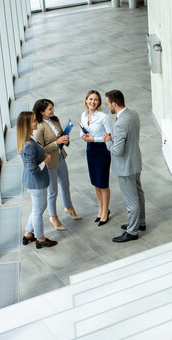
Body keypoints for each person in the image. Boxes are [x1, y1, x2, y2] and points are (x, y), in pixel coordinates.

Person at [103, 90, 146, 242]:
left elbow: (117, 151)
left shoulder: (121, 123)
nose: (107, 106)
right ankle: (140, 222)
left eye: (108, 103)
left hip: (125, 167)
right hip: (135, 161)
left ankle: (132, 232)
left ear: (114, 104)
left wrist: (108, 140)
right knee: (138, 193)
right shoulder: (133, 114)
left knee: (131, 201)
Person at [32, 98, 81, 231]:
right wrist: (57, 142)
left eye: (53, 108)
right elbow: (40, 150)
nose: (53, 110)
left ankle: (69, 206)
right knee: (52, 191)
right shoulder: (39, 128)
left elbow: (60, 136)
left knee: (65, 184)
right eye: (50, 109)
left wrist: (65, 140)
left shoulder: (55, 120)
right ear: (42, 112)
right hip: (50, 162)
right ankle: (53, 216)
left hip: (60, 157)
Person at [16, 111, 58, 249]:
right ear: (27, 124)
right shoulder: (29, 144)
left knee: (37, 209)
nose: (36, 122)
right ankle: (40, 239)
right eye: (34, 121)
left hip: (34, 182)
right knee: (39, 211)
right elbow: (33, 169)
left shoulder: (28, 139)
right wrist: (45, 160)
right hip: (36, 182)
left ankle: (28, 234)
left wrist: (42, 156)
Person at [80, 90, 112, 225]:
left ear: (99, 103)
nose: (92, 102)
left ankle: (105, 211)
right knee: (95, 183)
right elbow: (80, 131)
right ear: (86, 100)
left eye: (96, 100)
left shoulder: (103, 117)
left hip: (102, 151)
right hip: (90, 150)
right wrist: (83, 137)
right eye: (90, 99)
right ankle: (100, 208)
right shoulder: (83, 114)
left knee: (103, 183)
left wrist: (94, 139)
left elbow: (110, 136)